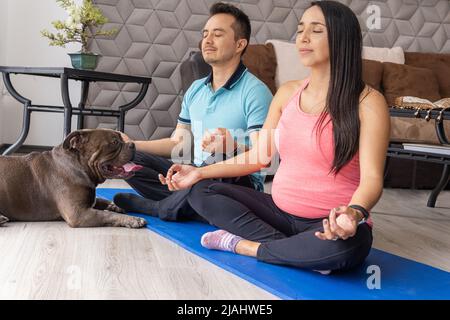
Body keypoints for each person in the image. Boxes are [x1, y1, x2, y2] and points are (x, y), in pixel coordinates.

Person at [159, 0, 390, 274]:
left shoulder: (368, 102)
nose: (302, 38)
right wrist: (198, 173)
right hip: (277, 213)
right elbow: (259, 156)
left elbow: (373, 179)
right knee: (201, 190)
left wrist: (353, 213)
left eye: (316, 31)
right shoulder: (288, 92)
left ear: (342, 38)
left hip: (330, 221)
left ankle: (244, 246)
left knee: (349, 247)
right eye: (300, 29)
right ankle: (298, 250)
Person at [114, 2, 273, 221]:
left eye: (217, 34)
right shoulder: (196, 89)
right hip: (195, 175)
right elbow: (179, 143)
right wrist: (130, 144)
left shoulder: (256, 92)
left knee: (219, 155)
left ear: (239, 44)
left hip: (237, 183)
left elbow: (263, 155)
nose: (207, 41)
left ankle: (160, 208)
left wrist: (234, 145)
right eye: (205, 34)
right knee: (125, 155)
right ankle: (189, 204)